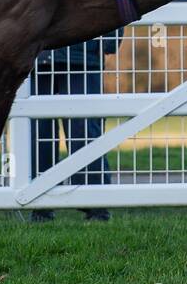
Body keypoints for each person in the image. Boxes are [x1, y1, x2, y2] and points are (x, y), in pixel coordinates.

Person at [28, 29, 123, 222]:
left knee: (85, 130)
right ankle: (39, 203)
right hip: (35, 55)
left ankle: (95, 205)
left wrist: (107, 43)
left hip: (83, 55)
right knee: (38, 132)